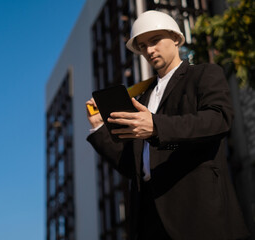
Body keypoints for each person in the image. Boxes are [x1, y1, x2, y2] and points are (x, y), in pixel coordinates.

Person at [86, 10, 249, 240]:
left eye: (154, 41)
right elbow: (132, 166)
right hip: (148, 216)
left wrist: (157, 127)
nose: (149, 50)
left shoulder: (203, 74)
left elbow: (218, 120)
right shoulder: (141, 99)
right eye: (142, 46)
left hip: (196, 211)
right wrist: (99, 130)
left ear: (175, 37)